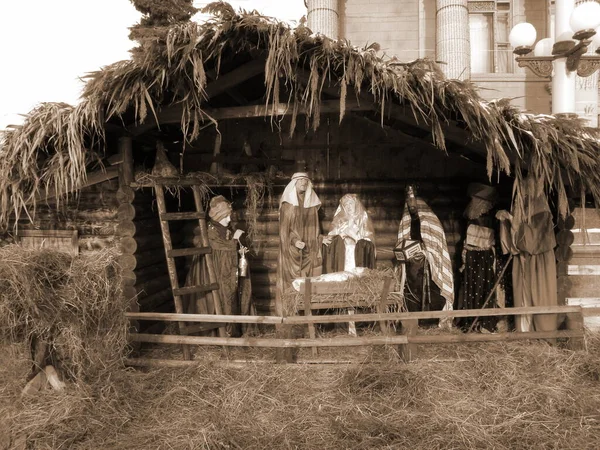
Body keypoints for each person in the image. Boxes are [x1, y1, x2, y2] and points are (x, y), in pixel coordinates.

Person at [184, 195, 252, 337]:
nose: (229, 220)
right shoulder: (210, 232)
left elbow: (229, 248)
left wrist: (240, 249)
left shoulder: (226, 229)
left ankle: (232, 329)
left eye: (229, 216)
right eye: (225, 216)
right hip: (211, 274)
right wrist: (235, 240)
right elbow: (220, 248)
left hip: (225, 273)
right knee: (216, 300)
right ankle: (217, 332)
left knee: (229, 296)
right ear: (217, 216)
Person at [497, 177, 558, 332]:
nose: (520, 199)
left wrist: (511, 219)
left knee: (539, 296)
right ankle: (525, 332)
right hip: (523, 261)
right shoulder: (523, 213)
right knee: (523, 296)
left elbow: (531, 242)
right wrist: (505, 222)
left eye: (524, 194)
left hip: (539, 263)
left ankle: (543, 335)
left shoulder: (543, 216)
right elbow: (515, 244)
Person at [395, 185, 454, 314]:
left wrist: (424, 251)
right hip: (410, 263)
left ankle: (431, 314)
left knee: (420, 265)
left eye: (414, 203)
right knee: (409, 281)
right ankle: (412, 313)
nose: (412, 207)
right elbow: (403, 239)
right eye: (409, 204)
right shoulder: (406, 220)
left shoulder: (430, 220)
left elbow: (435, 244)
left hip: (428, 261)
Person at [455, 183, 499, 331]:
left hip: (483, 259)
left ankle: (481, 322)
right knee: (474, 289)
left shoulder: (486, 219)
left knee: (482, 289)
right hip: (477, 259)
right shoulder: (476, 219)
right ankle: (474, 321)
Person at [276, 173, 322, 301]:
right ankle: (290, 314)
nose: (304, 182)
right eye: (300, 180)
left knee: (308, 283)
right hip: (292, 253)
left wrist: (321, 239)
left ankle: (306, 315)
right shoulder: (288, 205)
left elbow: (315, 229)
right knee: (291, 282)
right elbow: (284, 230)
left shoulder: (311, 206)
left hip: (308, 251)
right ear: (294, 183)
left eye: (306, 180)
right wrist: (294, 241)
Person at [322, 194, 376, 273]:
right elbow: (330, 240)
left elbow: (369, 239)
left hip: (358, 254)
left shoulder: (363, 218)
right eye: (345, 204)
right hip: (342, 253)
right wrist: (342, 234)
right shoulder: (338, 221)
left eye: (350, 203)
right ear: (343, 207)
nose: (348, 206)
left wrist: (354, 236)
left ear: (355, 204)